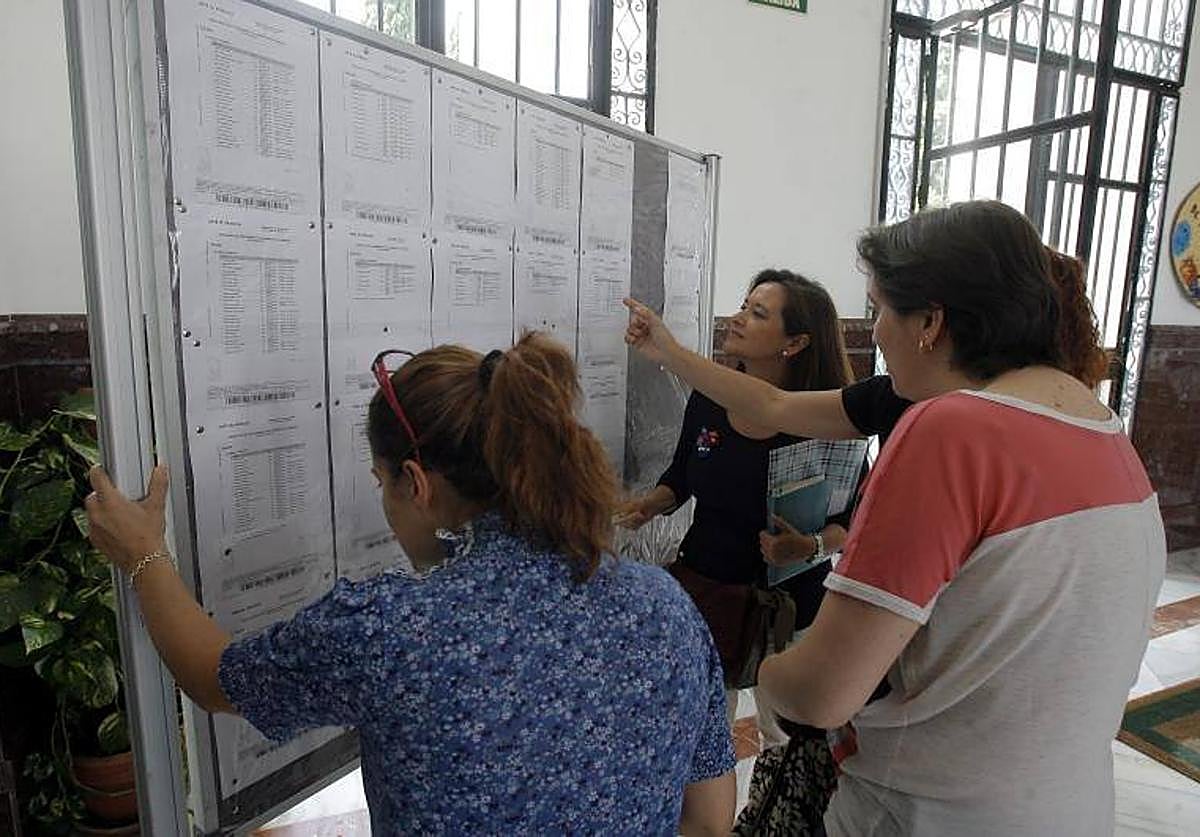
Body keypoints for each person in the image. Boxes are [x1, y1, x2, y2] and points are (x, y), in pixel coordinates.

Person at [625, 200, 1165, 836]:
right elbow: (771, 404)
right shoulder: (1105, 431)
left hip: (927, 812)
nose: (875, 332)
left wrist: (758, 669)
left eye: (880, 308)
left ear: (930, 322)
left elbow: (823, 692)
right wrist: (669, 351)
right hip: (1067, 807)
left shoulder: (950, 429)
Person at [84, 332, 736, 836]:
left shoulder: (393, 628)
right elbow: (709, 821)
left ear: (416, 483)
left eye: (382, 482)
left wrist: (144, 553)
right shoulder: (664, 605)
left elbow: (213, 676)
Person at [619, 270, 860, 834]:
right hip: (708, 593)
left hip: (789, 608)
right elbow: (681, 475)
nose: (736, 318)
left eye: (757, 313)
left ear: (795, 343)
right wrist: (650, 504)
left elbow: (853, 522)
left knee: (785, 742)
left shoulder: (824, 420)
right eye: (743, 305)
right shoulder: (710, 399)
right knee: (702, 732)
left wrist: (809, 545)